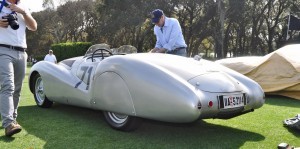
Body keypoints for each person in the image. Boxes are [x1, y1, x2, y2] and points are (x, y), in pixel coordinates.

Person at [0, 0, 37, 137]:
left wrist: (24, 12)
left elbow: (34, 27)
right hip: (2, 50)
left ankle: (13, 119)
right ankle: (8, 123)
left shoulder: (23, 6)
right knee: (8, 86)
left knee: (17, 88)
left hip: (22, 52)